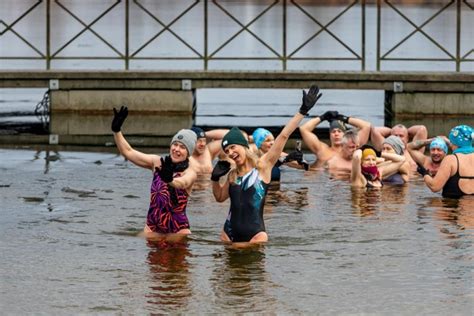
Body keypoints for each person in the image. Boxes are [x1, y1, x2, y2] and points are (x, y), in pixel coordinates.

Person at [211, 85, 322, 244]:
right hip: (228, 236)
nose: (230, 152)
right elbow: (220, 198)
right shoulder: (232, 174)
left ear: (244, 146)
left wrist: (302, 111)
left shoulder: (262, 166)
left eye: (233, 147)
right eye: (226, 150)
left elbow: (283, 136)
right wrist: (214, 180)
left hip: (255, 237)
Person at [111, 106, 198, 238]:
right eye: (175, 144)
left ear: (188, 153)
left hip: (177, 231)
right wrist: (116, 131)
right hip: (152, 228)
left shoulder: (190, 172)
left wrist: (170, 180)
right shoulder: (157, 163)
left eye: (182, 147)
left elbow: (182, 183)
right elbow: (128, 152)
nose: (176, 149)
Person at [299, 112, 371, 169]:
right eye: (333, 132)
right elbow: (303, 129)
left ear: (345, 134)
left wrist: (344, 118)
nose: (336, 134)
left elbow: (366, 126)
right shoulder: (322, 150)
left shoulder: (352, 148)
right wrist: (323, 117)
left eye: (339, 131)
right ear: (330, 135)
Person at [420, 125, 474, 198]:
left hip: (452, 207)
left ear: (456, 142)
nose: (450, 145)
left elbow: (434, 187)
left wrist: (425, 173)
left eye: (451, 141)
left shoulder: (450, 160)